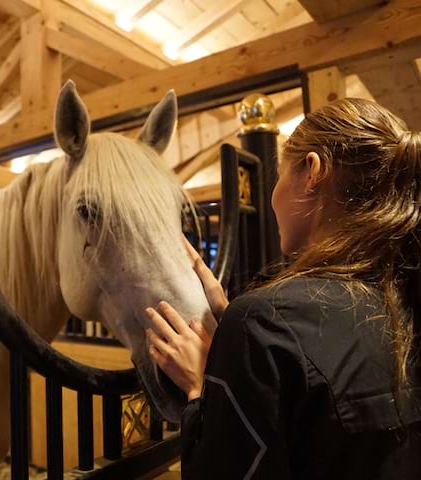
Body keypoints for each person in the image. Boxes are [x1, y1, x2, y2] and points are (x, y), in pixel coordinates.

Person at [146, 98, 421, 479]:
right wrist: (235, 337)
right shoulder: (404, 295)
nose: (273, 194)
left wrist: (199, 391)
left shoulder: (265, 321)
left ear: (312, 171)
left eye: (279, 174)